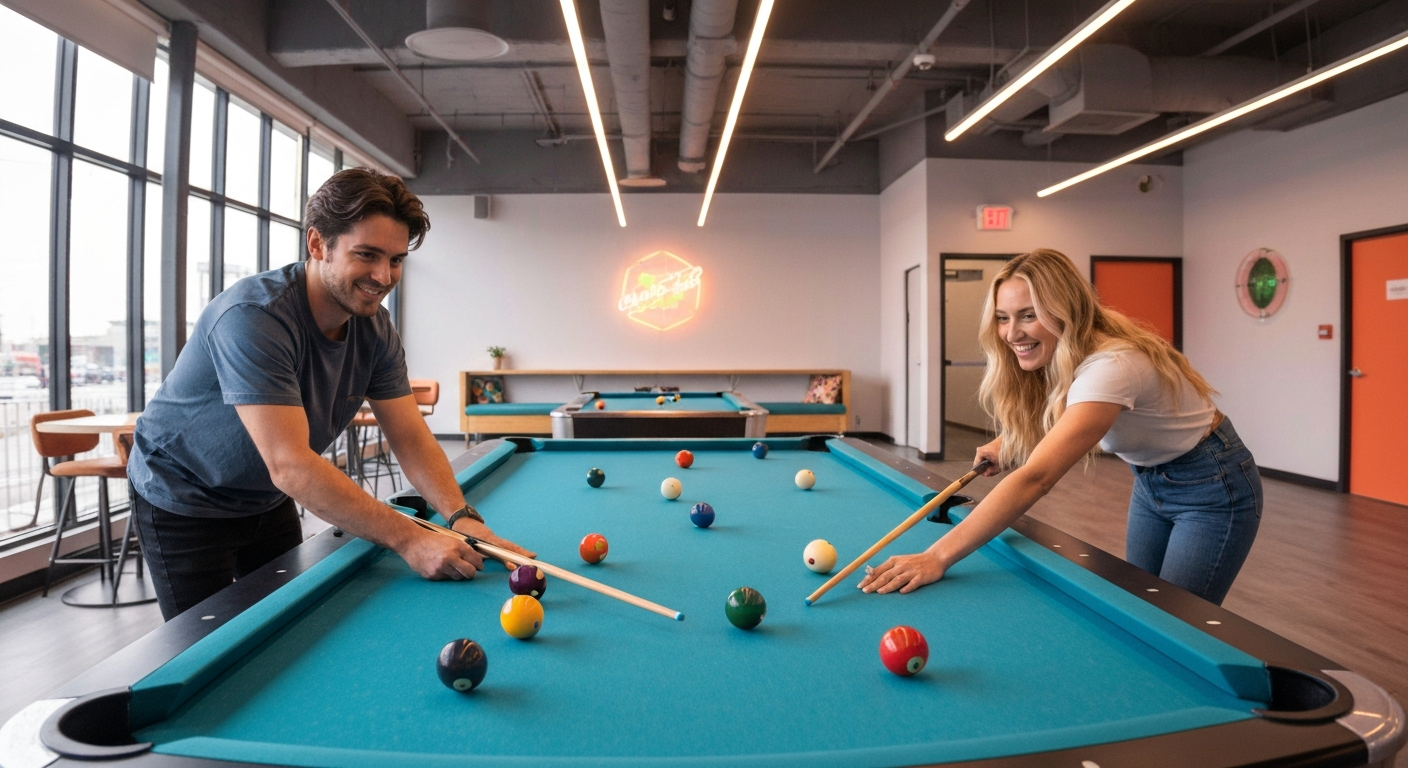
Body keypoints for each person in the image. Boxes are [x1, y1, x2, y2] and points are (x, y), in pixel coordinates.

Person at [128, 168, 531, 620]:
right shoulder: (254, 316)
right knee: (200, 649)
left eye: (396, 259)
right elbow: (290, 464)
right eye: (367, 255)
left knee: (281, 631)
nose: (383, 275)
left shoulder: (375, 327)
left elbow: (410, 436)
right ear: (318, 244)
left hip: (266, 496)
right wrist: (412, 538)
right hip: (186, 496)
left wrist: (462, 518)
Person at [858, 249, 1261, 606]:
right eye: (1003, 318)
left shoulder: (1112, 367)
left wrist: (937, 556)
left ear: (1064, 310)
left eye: (1028, 315)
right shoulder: (1070, 346)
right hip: (1151, 480)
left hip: (1212, 486)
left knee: (1177, 622)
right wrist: (1010, 441)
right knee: (1145, 603)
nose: (1012, 333)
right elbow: (1061, 412)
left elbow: (1036, 478)